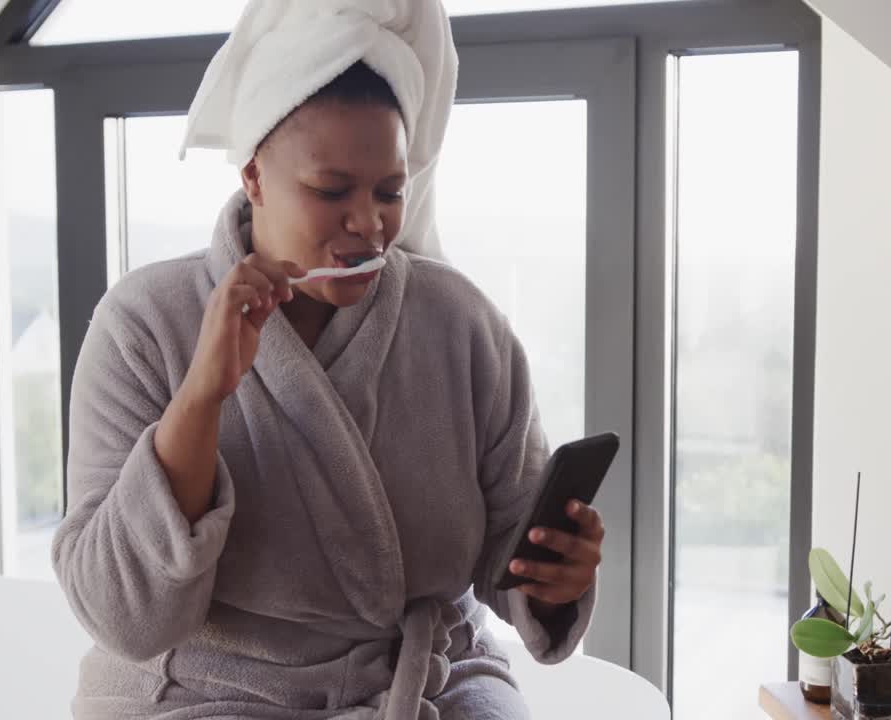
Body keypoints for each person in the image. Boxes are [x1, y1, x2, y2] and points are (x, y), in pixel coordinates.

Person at [51, 1, 602, 718]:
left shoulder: (460, 323)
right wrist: (202, 396)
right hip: (209, 686)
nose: (369, 223)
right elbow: (119, 610)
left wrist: (552, 577)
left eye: (390, 191)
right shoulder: (143, 323)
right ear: (253, 175)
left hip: (423, 677)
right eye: (331, 190)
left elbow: (510, 546)